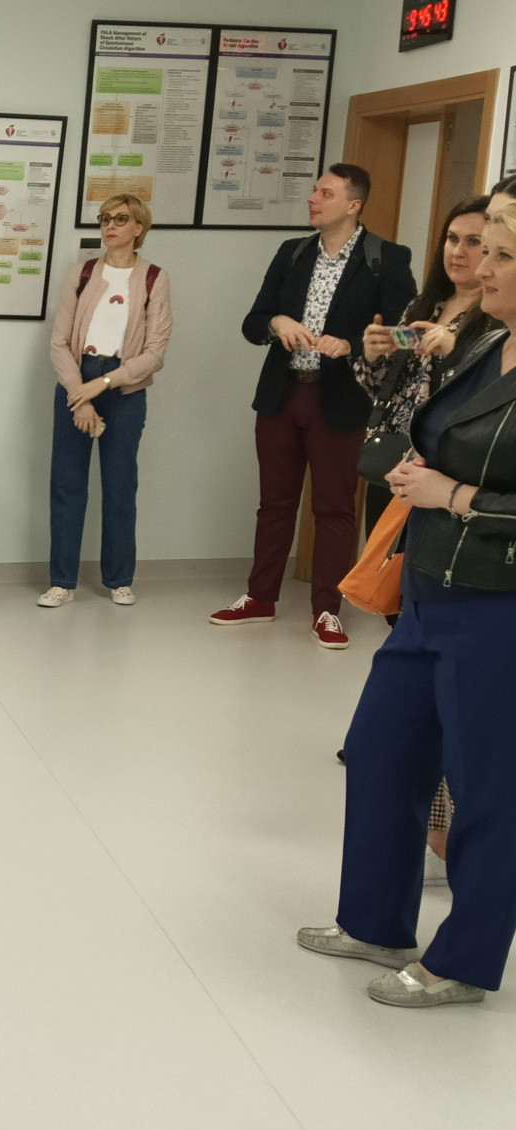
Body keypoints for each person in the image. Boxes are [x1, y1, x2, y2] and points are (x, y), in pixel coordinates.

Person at [299, 204, 516, 1007]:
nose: (480, 268)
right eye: (483, 248)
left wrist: (453, 494)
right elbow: (433, 429)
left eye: (501, 255)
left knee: (488, 790)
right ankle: (375, 923)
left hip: (497, 606)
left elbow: (473, 483)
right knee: (381, 753)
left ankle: (462, 962)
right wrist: (415, 470)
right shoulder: (487, 342)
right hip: (427, 587)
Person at [215, 164, 416, 648]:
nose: (312, 198)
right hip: (282, 394)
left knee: (334, 508)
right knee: (274, 504)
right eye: (314, 190)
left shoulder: (386, 258)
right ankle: (259, 597)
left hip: (342, 400)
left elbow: (409, 334)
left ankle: (328, 609)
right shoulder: (293, 252)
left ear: (353, 205)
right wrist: (277, 323)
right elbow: (252, 322)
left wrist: (352, 345)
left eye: (325, 193)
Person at [38, 193, 172, 608]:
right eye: (104, 218)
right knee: (67, 484)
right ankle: (62, 581)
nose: (110, 225)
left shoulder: (153, 278)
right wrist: (80, 397)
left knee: (119, 485)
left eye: (121, 218)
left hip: (124, 388)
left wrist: (103, 384)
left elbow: (155, 352)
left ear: (139, 228)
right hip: (76, 381)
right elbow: (59, 341)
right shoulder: (82, 273)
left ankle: (119, 579)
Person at [354, 196, 493, 537]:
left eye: (473, 242)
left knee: (418, 553)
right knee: (380, 557)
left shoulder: (496, 316)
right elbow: (386, 388)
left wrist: (455, 350)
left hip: (445, 466)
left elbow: (493, 388)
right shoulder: (424, 305)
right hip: (394, 455)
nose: (458, 251)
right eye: (452, 238)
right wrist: (372, 357)